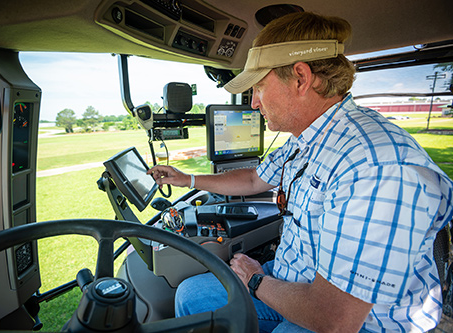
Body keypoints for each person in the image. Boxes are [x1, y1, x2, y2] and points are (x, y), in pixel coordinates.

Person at [147, 11, 453, 333]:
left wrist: (255, 279)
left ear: (300, 78)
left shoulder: (376, 169)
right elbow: (255, 178)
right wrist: (187, 179)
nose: (254, 104)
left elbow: (334, 319)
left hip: (358, 321)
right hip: (291, 279)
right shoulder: (307, 139)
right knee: (193, 295)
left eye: (259, 88)